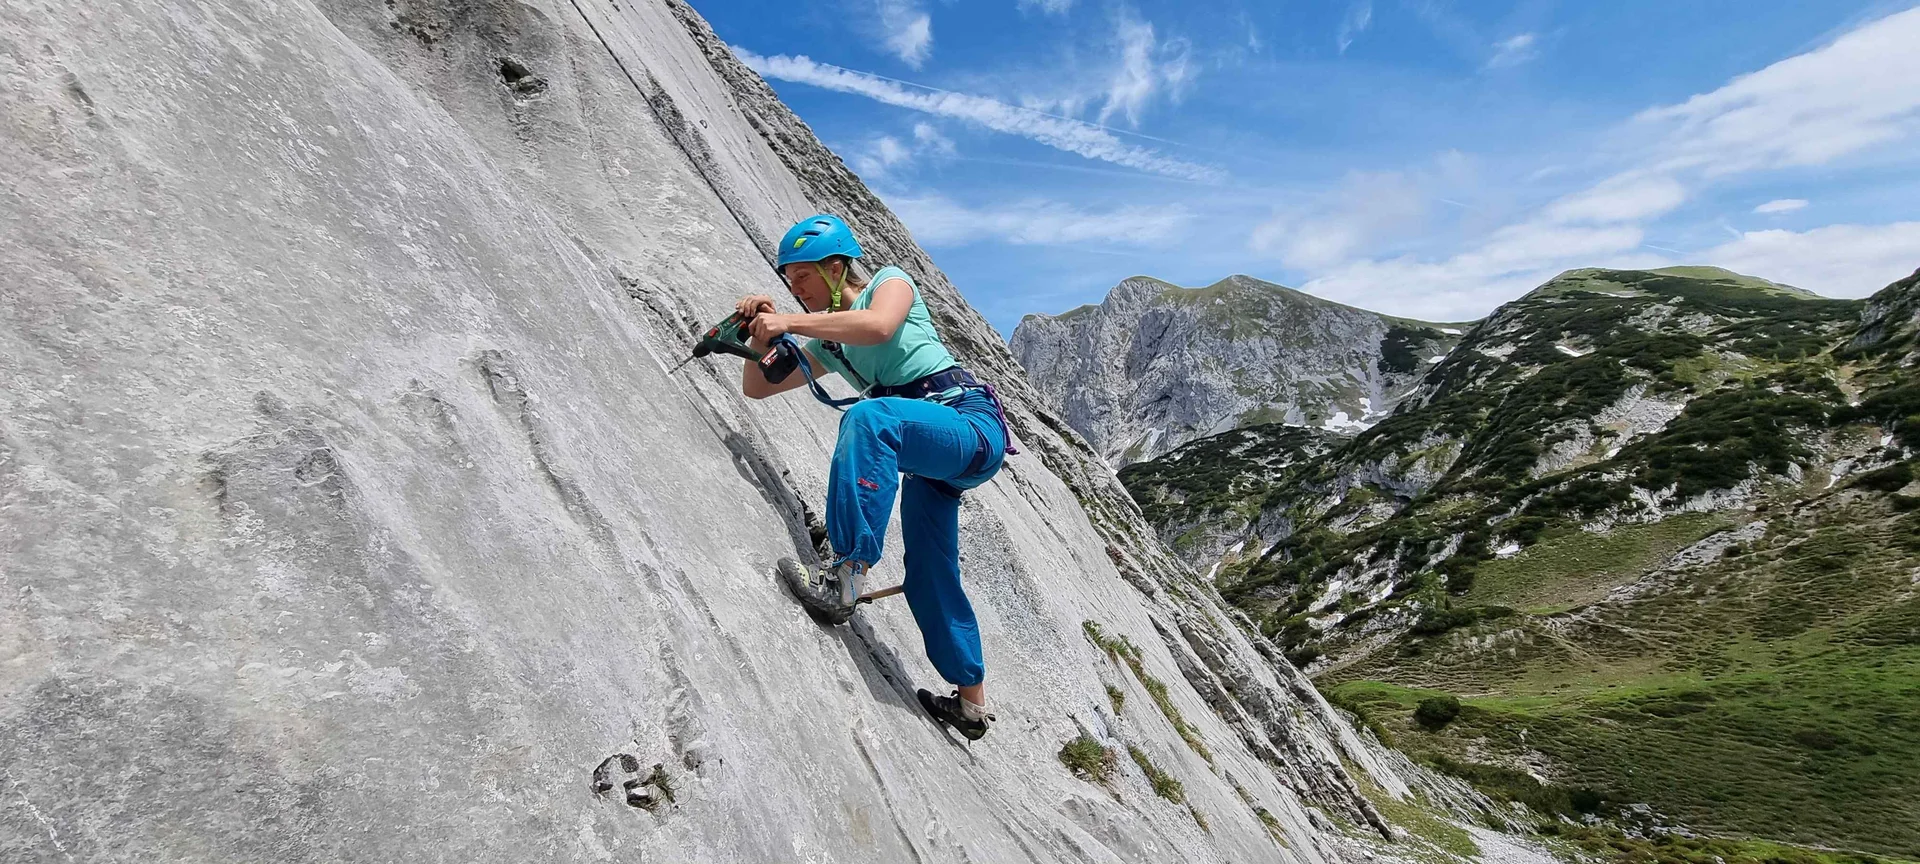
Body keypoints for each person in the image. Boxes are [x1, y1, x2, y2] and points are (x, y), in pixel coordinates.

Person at [735, 214, 1015, 740]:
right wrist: (758, 333)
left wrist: (790, 322)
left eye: (803, 278)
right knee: (931, 568)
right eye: (789, 282)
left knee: (870, 416)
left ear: (837, 266)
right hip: (932, 452)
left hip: (968, 423)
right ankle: (971, 703)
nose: (795, 290)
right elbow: (759, 386)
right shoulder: (829, 342)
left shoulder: (889, 282)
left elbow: (880, 327)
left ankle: (844, 573)